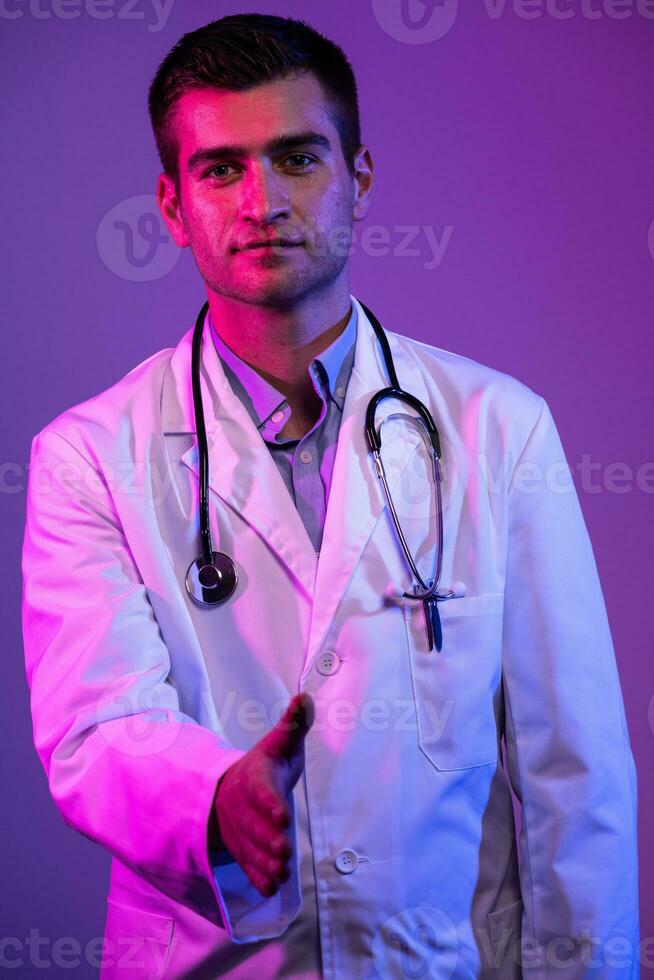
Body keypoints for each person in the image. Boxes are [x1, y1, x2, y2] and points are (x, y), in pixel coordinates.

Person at [21, 13, 639, 979]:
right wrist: (214, 797)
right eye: (221, 168)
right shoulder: (89, 456)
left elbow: (576, 773)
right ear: (174, 207)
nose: (262, 199)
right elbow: (96, 731)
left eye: (298, 158)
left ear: (358, 177)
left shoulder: (499, 429)